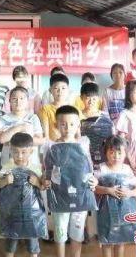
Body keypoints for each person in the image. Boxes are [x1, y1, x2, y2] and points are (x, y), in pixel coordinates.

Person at [43, 105, 97, 257]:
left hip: (81, 195)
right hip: (59, 196)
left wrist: (94, 181)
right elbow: (46, 171)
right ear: (56, 125)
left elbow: (89, 169)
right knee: (60, 232)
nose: (68, 128)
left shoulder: (84, 144)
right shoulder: (51, 146)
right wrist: (45, 180)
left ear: (78, 125)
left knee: (77, 233)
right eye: (63, 124)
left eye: (72, 124)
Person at [0, 133, 44, 257]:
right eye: (15, 152)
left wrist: (37, 182)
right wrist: (5, 181)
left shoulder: (36, 168)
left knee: (33, 241)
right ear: (10, 150)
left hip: (31, 212)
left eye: (23, 152)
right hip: (12, 212)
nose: (19, 156)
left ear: (31, 151)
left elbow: (43, 187)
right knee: (11, 240)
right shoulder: (7, 167)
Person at [94, 136, 136, 257]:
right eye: (112, 152)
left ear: (125, 153)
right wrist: (108, 190)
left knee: (120, 240)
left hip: (123, 210)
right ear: (106, 153)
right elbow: (94, 188)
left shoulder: (127, 169)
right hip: (105, 211)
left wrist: (129, 193)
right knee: (107, 240)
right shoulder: (101, 168)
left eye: (120, 153)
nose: (116, 156)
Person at [0, 86, 44, 167]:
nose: (18, 101)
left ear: (27, 101)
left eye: (22, 98)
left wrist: (14, 138)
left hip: (30, 162)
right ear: (9, 101)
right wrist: (20, 127)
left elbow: (39, 140)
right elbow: (1, 139)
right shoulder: (2, 118)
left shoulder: (33, 118)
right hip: (8, 160)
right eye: (14, 98)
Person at [79, 82, 114, 168]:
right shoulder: (77, 116)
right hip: (83, 156)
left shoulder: (105, 116)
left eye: (94, 98)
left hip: (103, 157)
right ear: (81, 98)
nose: (91, 101)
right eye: (87, 98)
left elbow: (111, 137)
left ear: (99, 98)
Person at [38, 73, 72, 141]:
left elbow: (77, 134)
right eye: (56, 88)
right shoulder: (45, 110)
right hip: (52, 145)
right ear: (50, 90)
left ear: (68, 89)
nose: (60, 91)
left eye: (63, 88)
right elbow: (46, 136)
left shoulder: (73, 110)